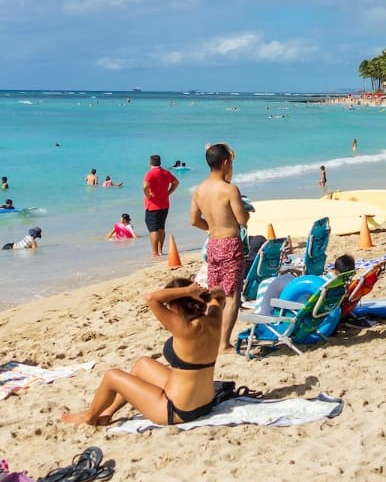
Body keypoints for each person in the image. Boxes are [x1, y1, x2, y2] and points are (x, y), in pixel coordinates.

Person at [61, 279, 225, 427]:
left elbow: (151, 298)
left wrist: (188, 291)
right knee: (142, 364)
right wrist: (206, 293)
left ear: (176, 305)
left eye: (169, 306)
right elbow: (221, 295)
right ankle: (108, 411)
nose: (168, 309)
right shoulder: (213, 319)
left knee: (112, 376)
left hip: (176, 410)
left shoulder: (184, 328)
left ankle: (89, 417)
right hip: (205, 403)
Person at [190, 142, 250, 353]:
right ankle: (224, 343)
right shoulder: (229, 189)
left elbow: (194, 220)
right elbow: (242, 220)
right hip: (230, 243)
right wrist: (246, 213)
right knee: (232, 295)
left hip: (213, 243)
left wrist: (212, 226)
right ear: (225, 163)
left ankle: (211, 338)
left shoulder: (199, 190)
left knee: (216, 294)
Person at [143, 154, 179, 259]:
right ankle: (160, 250)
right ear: (160, 162)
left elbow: (145, 186)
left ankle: (154, 253)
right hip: (164, 205)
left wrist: (148, 195)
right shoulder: (166, 172)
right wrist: (169, 192)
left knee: (153, 229)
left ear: (150, 163)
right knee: (161, 227)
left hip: (153, 205)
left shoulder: (150, 173)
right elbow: (176, 182)